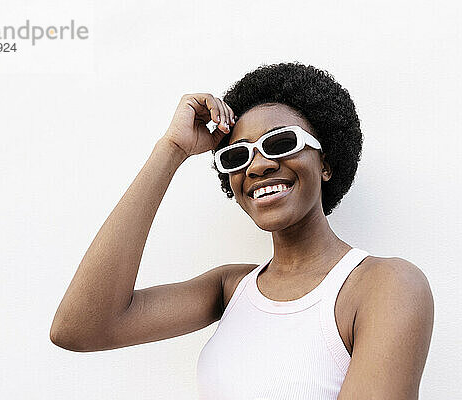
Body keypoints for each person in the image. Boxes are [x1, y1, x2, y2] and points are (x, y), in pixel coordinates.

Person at [50, 62, 434, 399]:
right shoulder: (231, 289)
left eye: (281, 142)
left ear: (326, 163)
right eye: (237, 156)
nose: (258, 166)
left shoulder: (384, 285)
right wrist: (172, 149)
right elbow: (79, 328)